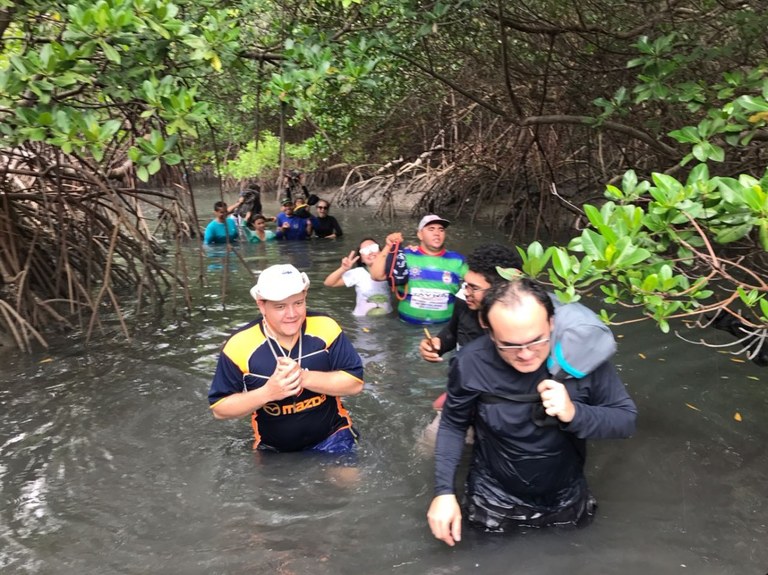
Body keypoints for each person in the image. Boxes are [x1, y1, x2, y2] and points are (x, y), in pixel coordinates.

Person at [427, 278, 637, 546]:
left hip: (566, 496)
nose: (525, 354)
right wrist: (444, 492)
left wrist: (574, 412)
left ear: (551, 323)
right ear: (489, 332)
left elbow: (626, 420)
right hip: (493, 497)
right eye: (509, 345)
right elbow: (453, 425)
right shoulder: (472, 362)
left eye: (536, 341)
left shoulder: (583, 357)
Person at [207, 264, 365, 453]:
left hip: (333, 435)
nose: (292, 314)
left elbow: (355, 383)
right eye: (280, 306)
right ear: (261, 304)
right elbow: (220, 409)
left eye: (298, 303)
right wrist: (268, 393)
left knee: (349, 481)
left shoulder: (326, 327)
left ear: (305, 295)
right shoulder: (239, 344)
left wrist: (303, 378)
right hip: (274, 449)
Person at [419, 243, 522, 364]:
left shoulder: (522, 320)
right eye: (465, 284)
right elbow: (453, 331)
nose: (466, 292)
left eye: (474, 288)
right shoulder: (464, 300)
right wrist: (438, 344)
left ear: (501, 289)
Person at [370, 214, 467, 325]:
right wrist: (388, 246)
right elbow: (376, 275)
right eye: (431, 229)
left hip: (443, 331)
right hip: (407, 328)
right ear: (420, 235)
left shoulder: (457, 260)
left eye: (441, 230)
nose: (437, 233)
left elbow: (476, 283)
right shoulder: (405, 256)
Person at [323, 238, 392, 316]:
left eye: (373, 248)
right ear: (361, 259)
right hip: (362, 321)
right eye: (365, 251)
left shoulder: (390, 271)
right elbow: (329, 283)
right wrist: (343, 269)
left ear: (381, 251)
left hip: (386, 318)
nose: (370, 252)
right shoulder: (358, 273)